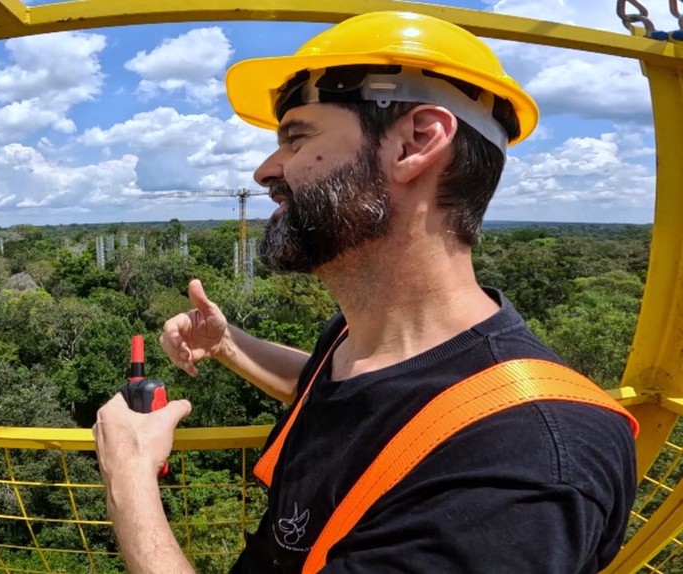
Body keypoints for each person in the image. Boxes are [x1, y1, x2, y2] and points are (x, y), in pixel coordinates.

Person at [92, 11, 637, 573]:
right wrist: (231, 344)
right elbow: (354, 397)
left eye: (296, 137)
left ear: (415, 143)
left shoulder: (524, 466)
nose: (264, 171)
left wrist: (129, 478)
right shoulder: (370, 337)